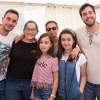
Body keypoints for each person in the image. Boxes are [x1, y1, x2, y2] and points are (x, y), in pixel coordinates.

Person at [5, 20, 38, 100]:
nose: (30, 32)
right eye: (27, 29)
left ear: (37, 31)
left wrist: (74, 48)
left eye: (33, 29)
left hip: (29, 83)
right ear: (23, 31)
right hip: (11, 82)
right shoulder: (15, 42)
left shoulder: (39, 45)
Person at [75, 3, 100, 100]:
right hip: (87, 82)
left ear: (95, 13)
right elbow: (64, 41)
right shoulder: (77, 33)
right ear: (81, 18)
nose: (88, 16)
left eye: (90, 12)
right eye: (84, 14)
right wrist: (76, 47)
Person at [57, 28, 87, 100]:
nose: (66, 42)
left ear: (73, 41)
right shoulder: (57, 56)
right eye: (63, 40)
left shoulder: (80, 57)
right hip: (60, 95)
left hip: (76, 95)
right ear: (60, 41)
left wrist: (80, 91)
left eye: (69, 39)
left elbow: (83, 76)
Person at [31, 33, 59, 100]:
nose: (43, 45)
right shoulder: (37, 56)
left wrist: (53, 95)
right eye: (41, 42)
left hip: (47, 90)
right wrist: (32, 91)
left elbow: (56, 79)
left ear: (51, 45)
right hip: (36, 89)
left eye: (46, 43)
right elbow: (35, 75)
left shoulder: (54, 59)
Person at [0, 9, 19, 100]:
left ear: (16, 24)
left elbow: (30, 36)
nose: (10, 23)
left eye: (14, 21)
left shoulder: (13, 36)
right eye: (8, 19)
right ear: (3, 19)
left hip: (2, 81)